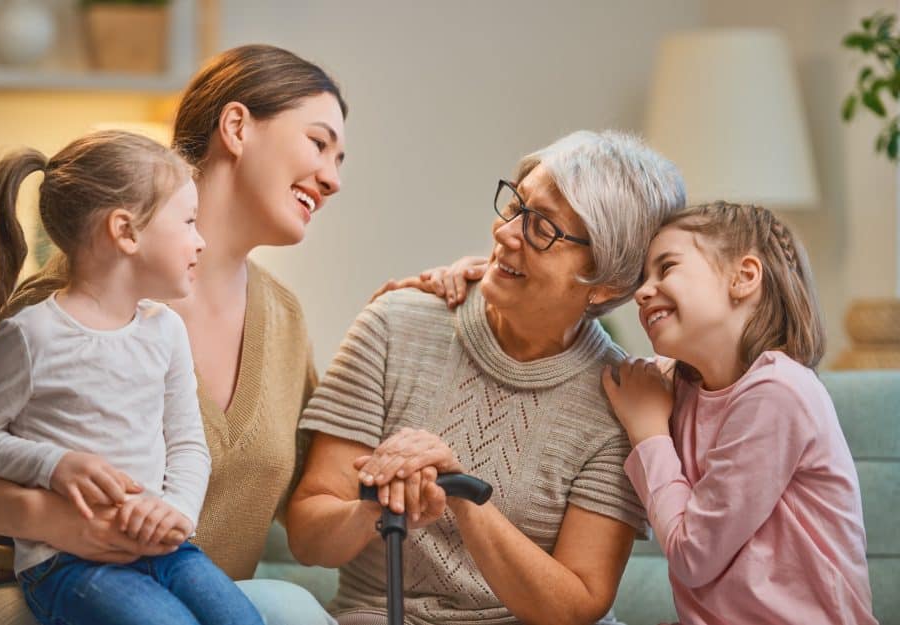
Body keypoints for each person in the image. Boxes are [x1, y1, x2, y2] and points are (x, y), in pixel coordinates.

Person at [0, 44, 349, 625]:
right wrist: (63, 522)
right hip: (30, 590)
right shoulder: (84, 291)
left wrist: (427, 300)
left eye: (340, 159)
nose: (333, 178)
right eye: (320, 144)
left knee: (293, 609)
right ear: (237, 127)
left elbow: (312, 492)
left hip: (180, 585)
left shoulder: (284, 318)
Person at [286, 130, 686, 625]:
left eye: (543, 229)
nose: (506, 233)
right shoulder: (395, 324)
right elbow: (306, 536)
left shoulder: (621, 400)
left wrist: (463, 496)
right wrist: (381, 504)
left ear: (606, 285)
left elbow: (576, 607)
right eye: (516, 205)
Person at [0, 129, 264, 625]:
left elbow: (187, 444)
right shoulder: (31, 333)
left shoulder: (165, 332)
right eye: (187, 222)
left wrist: (176, 511)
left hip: (163, 548)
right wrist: (55, 465)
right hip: (62, 564)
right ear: (126, 231)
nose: (200, 241)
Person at [602, 202, 877, 625]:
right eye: (642, 279)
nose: (641, 291)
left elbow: (693, 556)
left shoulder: (779, 391)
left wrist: (649, 434)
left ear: (744, 277)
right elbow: (597, 371)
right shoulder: (683, 388)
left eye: (666, 267)